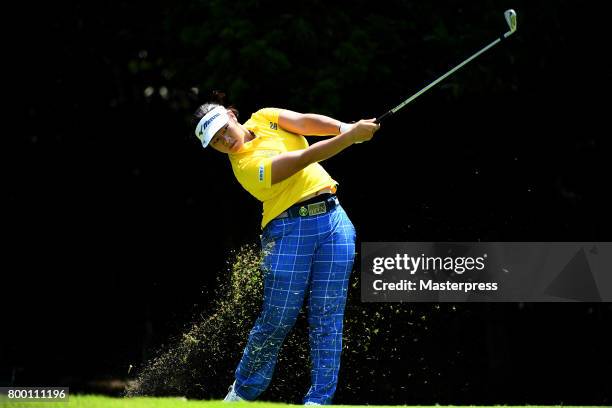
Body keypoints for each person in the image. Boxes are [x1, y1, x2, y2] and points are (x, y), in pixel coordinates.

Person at [193, 92, 380, 405]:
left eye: (224, 129)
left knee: (327, 316)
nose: (224, 139)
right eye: (215, 141)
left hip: (334, 222)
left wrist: (345, 128)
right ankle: (242, 393)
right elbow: (302, 160)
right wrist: (350, 138)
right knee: (278, 318)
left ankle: (319, 400)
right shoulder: (245, 166)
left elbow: (305, 123)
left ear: (232, 115)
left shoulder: (265, 117)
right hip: (288, 231)